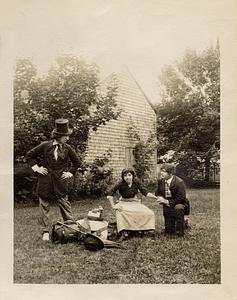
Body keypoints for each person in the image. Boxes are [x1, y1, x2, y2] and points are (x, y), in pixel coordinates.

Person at [26, 119, 80, 241]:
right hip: (45, 181)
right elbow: (29, 155)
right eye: (65, 136)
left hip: (60, 182)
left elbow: (77, 162)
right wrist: (37, 168)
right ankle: (45, 231)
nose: (67, 138)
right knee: (44, 206)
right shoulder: (46, 145)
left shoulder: (68, 148)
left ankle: (71, 228)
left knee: (65, 204)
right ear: (59, 136)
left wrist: (70, 173)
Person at [107, 168, 157, 241]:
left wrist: (156, 197)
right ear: (123, 177)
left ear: (133, 176)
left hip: (134, 202)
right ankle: (124, 232)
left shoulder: (136, 182)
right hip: (123, 202)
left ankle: (146, 230)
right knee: (120, 212)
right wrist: (113, 206)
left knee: (149, 213)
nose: (127, 177)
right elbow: (110, 195)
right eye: (125, 176)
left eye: (129, 175)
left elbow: (145, 192)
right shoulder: (120, 183)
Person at [155, 163, 188, 237]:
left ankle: (179, 232)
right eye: (161, 171)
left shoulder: (179, 182)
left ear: (170, 173)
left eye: (164, 171)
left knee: (178, 208)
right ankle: (170, 229)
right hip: (167, 203)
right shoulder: (161, 181)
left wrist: (167, 201)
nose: (161, 173)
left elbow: (181, 198)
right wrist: (159, 197)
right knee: (169, 231)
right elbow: (157, 192)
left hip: (179, 203)